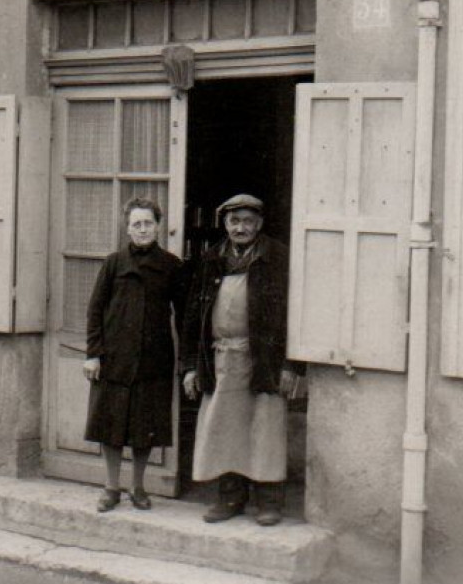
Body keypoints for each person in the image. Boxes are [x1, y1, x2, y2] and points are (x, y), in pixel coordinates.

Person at [180, 194, 305, 526]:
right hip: (221, 359)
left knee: (265, 428)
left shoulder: (277, 257)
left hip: (263, 358)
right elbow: (193, 316)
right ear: (225, 224)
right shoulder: (210, 259)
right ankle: (230, 498)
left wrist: (292, 365)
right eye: (234, 221)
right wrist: (190, 365)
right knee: (226, 428)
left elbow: (296, 313)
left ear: (259, 224)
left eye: (248, 221)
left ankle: (269, 502)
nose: (241, 227)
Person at [83, 198, 185, 513]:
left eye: (148, 223)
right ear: (127, 228)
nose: (142, 229)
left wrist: (186, 360)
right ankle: (111, 488)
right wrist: (94, 354)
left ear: (158, 226)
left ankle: (138, 487)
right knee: (110, 427)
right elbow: (95, 310)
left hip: (154, 360)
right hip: (114, 358)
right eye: (136, 224)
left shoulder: (171, 265)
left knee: (145, 429)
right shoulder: (113, 264)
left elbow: (182, 316)